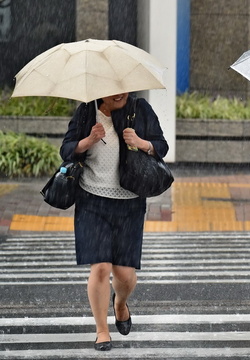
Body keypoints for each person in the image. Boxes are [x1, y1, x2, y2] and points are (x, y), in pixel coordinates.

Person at [60, 93, 169, 351]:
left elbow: (161, 146)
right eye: (113, 88)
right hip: (91, 200)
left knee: (124, 274)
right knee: (100, 267)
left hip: (130, 202)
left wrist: (142, 142)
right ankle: (102, 331)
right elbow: (66, 149)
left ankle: (120, 303)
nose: (120, 93)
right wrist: (87, 140)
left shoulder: (139, 109)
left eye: (124, 88)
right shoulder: (87, 112)